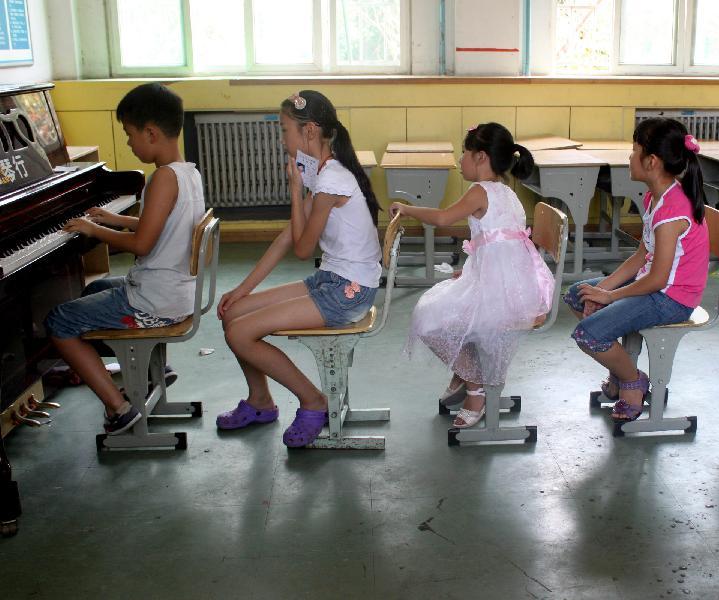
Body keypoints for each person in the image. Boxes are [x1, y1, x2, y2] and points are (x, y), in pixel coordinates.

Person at [215, 90, 381, 447]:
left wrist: (294, 190)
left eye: (284, 129)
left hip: (348, 291)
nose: (281, 138)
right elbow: (287, 238)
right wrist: (243, 289)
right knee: (233, 314)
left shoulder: (331, 180)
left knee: (240, 334)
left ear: (309, 132)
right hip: (330, 279)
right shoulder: (321, 169)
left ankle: (314, 400)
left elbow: (303, 248)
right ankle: (260, 400)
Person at [44, 83, 206, 435]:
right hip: (178, 294)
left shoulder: (162, 178)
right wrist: (116, 219)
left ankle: (119, 409)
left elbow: (143, 243)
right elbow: (165, 225)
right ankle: (153, 370)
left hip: (154, 301)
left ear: (150, 132)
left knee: (58, 320)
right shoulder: (187, 172)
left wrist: (93, 229)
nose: (130, 143)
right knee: (98, 287)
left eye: (130, 135)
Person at [392, 122, 554, 428]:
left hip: (501, 292)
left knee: (429, 319)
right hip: (513, 284)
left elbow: (442, 218)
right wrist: (469, 271)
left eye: (464, 152)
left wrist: (407, 209)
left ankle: (476, 387)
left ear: (480, 157)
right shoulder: (506, 192)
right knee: (444, 305)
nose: (460, 159)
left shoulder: (480, 191)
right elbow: (497, 246)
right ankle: (465, 374)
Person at [564, 118, 709, 423]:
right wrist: (604, 289)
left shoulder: (671, 212)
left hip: (671, 298)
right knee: (577, 294)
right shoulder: (655, 197)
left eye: (634, 151)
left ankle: (632, 382)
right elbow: (642, 255)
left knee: (587, 335)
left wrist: (610, 296)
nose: (629, 158)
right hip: (654, 284)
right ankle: (622, 370)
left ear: (652, 161)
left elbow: (658, 278)